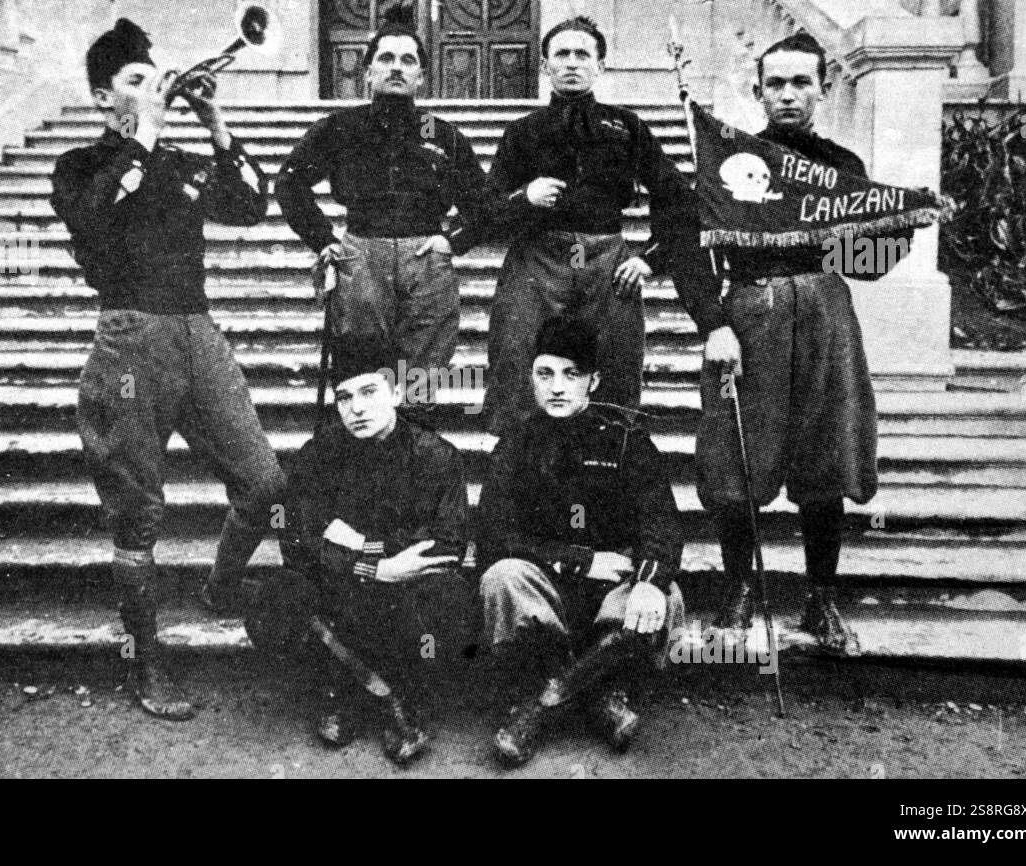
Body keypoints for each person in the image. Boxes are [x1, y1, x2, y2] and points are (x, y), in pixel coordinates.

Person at [50, 19, 285, 720]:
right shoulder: (79, 166)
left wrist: (215, 121)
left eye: (156, 77)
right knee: (138, 511)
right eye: (135, 80)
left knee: (265, 482)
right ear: (101, 98)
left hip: (197, 331)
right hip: (129, 338)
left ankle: (218, 590)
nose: (154, 87)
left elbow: (250, 205)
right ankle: (149, 665)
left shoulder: (180, 160)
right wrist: (144, 134)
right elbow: (97, 226)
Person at [689, 32, 914, 654]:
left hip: (822, 312)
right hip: (750, 313)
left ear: (823, 87)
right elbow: (695, 250)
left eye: (800, 83)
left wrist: (896, 229)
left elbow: (868, 263)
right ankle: (738, 589)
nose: (787, 95)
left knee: (825, 450)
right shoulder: (731, 161)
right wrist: (716, 323)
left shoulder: (843, 168)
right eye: (776, 84)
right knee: (737, 449)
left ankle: (820, 599)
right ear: (757, 90)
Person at [461, 15, 722, 436]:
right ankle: (519, 469)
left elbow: (679, 199)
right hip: (536, 263)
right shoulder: (522, 132)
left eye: (583, 54)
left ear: (600, 65)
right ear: (545, 65)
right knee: (517, 359)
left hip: (607, 265)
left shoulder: (626, 126)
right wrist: (523, 198)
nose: (572, 63)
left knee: (614, 365)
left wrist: (650, 259)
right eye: (561, 54)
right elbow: (485, 212)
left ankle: (605, 472)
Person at [245, 340, 470, 767]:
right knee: (274, 597)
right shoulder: (319, 455)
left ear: (397, 394)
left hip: (402, 597)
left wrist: (358, 545)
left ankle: (404, 691)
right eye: (344, 397)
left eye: (369, 392)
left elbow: (448, 542)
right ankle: (362, 689)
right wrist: (376, 566)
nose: (356, 408)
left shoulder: (436, 456)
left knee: (450, 599)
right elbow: (297, 541)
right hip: (346, 592)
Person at [476, 315, 685, 767]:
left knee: (665, 594)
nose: (557, 387)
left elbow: (662, 526)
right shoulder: (515, 444)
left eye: (571, 375)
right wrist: (577, 559)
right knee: (502, 576)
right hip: (549, 590)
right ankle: (592, 695)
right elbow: (493, 534)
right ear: (530, 377)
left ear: (594, 380)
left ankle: (549, 702)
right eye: (545, 373)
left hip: (611, 593)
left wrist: (649, 581)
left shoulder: (628, 442)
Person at [274, 5, 488, 417]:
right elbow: (290, 182)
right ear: (368, 71)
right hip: (361, 257)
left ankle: (412, 460)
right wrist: (324, 240)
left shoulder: (442, 134)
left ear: (422, 77)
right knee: (360, 374)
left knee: (419, 383)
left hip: (426, 261)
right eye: (385, 59)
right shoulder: (340, 127)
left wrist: (452, 241)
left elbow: (483, 204)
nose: (396, 68)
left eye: (408, 60)